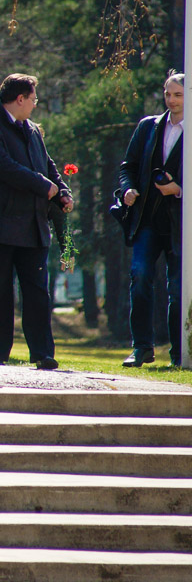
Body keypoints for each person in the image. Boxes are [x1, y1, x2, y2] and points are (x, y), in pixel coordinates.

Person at [0, 73, 71, 369]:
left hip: (32, 224)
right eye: (34, 100)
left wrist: (61, 191)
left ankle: (42, 353)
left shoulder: (31, 129)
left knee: (38, 292)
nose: (35, 105)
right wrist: (43, 185)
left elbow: (48, 164)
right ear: (20, 99)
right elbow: (3, 167)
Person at [119, 72, 184, 368]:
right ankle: (142, 347)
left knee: (178, 287)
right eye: (167, 94)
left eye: (178, 95)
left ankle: (179, 352)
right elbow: (127, 167)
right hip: (148, 220)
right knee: (140, 275)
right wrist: (127, 189)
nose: (171, 100)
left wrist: (179, 189)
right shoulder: (148, 126)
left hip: (182, 225)